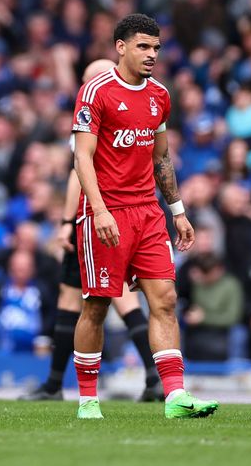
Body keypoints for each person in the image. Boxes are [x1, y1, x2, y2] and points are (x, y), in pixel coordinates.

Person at [69, 13, 218, 419]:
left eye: (156, 47)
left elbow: (162, 157)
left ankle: (175, 397)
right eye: (143, 46)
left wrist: (178, 211)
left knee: (166, 300)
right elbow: (81, 155)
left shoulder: (159, 96)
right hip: (107, 211)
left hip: (148, 212)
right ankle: (86, 399)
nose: (152, 54)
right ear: (121, 47)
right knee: (97, 306)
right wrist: (98, 209)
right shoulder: (95, 92)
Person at [21, 58, 164, 402]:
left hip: (95, 218)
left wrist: (67, 222)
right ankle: (152, 376)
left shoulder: (94, 110)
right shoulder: (132, 114)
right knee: (125, 300)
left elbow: (77, 173)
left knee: (74, 299)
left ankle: (56, 385)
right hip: (131, 214)